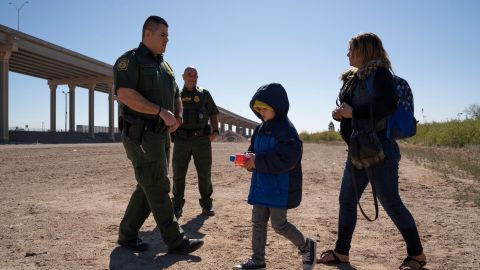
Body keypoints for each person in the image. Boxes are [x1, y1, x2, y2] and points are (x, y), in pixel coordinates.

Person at [317, 33, 427, 270]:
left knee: (390, 202)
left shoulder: (381, 75)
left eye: (351, 49)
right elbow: (353, 111)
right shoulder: (353, 79)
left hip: (381, 148)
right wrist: (340, 114)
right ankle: (341, 252)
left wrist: (352, 112)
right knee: (346, 200)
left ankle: (416, 255)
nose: (347, 54)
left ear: (364, 50)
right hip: (357, 148)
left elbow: (385, 107)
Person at [113, 15, 203, 254]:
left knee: (147, 184)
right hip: (141, 134)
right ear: (148, 34)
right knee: (159, 185)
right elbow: (125, 94)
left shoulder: (165, 66)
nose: (166, 40)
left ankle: (127, 234)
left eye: (168, 37)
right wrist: (160, 112)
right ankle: (176, 240)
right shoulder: (129, 61)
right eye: (162, 35)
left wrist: (178, 117)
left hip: (162, 136)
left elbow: (176, 96)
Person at [233, 83, 316, 270]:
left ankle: (306, 246)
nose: (261, 111)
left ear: (277, 106)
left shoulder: (287, 129)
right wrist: (247, 161)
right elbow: (253, 151)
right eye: (258, 108)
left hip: (279, 187)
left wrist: (258, 161)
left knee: (279, 224)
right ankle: (257, 261)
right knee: (258, 222)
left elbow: (287, 159)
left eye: (265, 108)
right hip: (261, 184)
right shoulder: (259, 129)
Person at [171, 66, 220, 218]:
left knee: (204, 173)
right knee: (178, 173)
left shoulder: (204, 94)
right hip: (181, 140)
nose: (192, 77)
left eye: (195, 75)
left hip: (201, 140)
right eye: (189, 74)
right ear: (183, 76)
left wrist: (215, 131)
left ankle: (207, 205)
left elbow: (213, 113)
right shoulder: (176, 95)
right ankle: (177, 206)